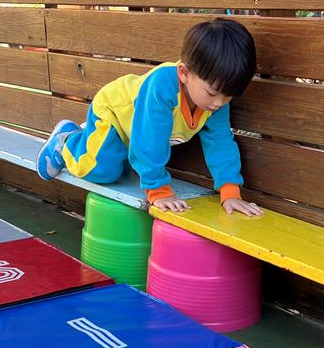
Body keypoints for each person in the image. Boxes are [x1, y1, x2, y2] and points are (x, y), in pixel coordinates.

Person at [36, 18, 263, 217]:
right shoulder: (162, 87)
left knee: (121, 169)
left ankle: (89, 138)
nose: (220, 103)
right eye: (212, 93)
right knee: (99, 171)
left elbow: (220, 142)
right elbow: (150, 139)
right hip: (113, 114)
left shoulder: (215, 101)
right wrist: (158, 191)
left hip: (135, 130)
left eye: (229, 96)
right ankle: (67, 141)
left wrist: (230, 192)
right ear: (184, 73)